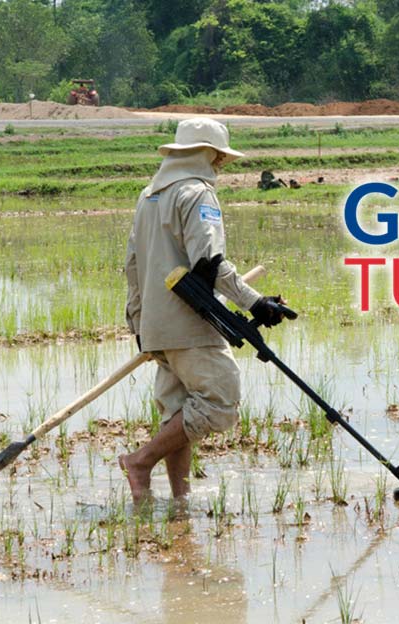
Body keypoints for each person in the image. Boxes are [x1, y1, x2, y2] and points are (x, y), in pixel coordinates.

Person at [121, 118, 289, 504]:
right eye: (219, 158)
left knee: (178, 411)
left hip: (157, 325)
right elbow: (208, 262)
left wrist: (139, 323)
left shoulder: (150, 196)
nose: (221, 166)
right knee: (219, 402)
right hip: (190, 322)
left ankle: (179, 499)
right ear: (208, 155)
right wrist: (254, 302)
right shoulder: (197, 194)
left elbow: (132, 265)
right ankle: (140, 462)